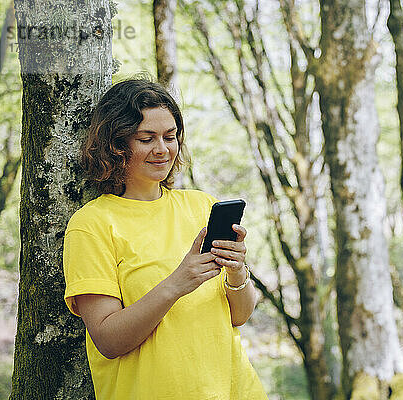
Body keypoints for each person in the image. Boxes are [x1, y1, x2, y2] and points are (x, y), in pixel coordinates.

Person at [62, 79, 268, 399]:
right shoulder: (92, 225)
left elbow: (239, 315)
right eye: (147, 138)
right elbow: (108, 340)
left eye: (170, 137)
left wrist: (237, 271)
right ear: (117, 145)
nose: (162, 149)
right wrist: (176, 284)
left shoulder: (201, 206)